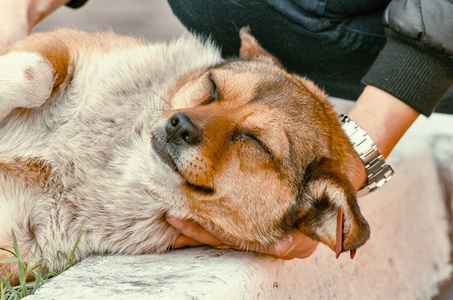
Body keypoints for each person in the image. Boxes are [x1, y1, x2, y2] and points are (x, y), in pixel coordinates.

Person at [2, 0, 452, 259]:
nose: (191, 123)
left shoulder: (310, 198)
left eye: (253, 140)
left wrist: (348, 168)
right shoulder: (147, 70)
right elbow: (72, 51)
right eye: (213, 91)